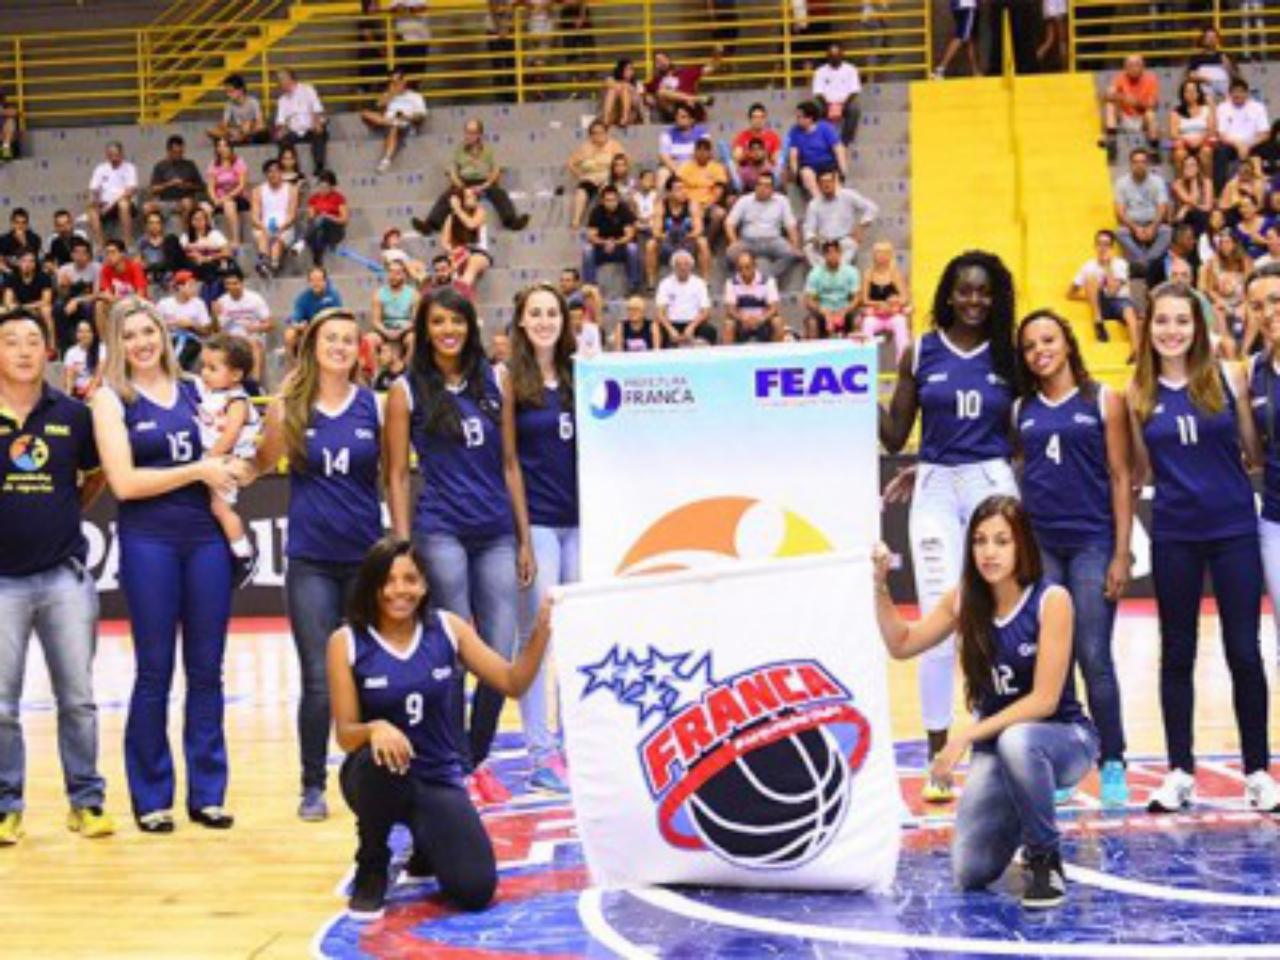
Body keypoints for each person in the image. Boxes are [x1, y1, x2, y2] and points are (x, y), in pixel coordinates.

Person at [873, 497, 1098, 909]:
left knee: (1018, 741)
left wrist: (963, 737)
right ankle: (1017, 800)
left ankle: (1044, 859)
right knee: (970, 871)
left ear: (1022, 547)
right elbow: (901, 644)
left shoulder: (1052, 600)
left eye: (1001, 541)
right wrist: (879, 585)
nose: (989, 552)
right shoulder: (965, 600)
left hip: (1065, 740)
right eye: (979, 541)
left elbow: (1045, 701)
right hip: (998, 748)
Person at [328, 537, 553, 918]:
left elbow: (512, 682)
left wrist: (542, 630)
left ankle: (427, 842)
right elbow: (346, 734)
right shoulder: (347, 641)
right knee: (381, 760)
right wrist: (375, 729)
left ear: (425, 585)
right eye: (389, 580)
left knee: (476, 890)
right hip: (374, 776)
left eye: (410, 579)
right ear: (372, 585)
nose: (400, 590)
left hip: (436, 778)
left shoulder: (448, 628)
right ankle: (372, 862)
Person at [91, 297, 246, 833]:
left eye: (148, 331)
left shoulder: (193, 392)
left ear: (163, 333)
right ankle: (151, 795)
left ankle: (208, 793)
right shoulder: (111, 399)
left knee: (207, 670)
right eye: (129, 335)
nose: (141, 342)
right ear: (118, 343)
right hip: (148, 541)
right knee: (154, 671)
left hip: (204, 540)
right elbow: (125, 483)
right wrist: (198, 470)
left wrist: (229, 468)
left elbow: (227, 455)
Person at [1128, 281, 1279, 813]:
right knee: (1177, 654)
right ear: (1149, 328)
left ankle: (1258, 771)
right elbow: (1139, 470)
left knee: (1243, 651)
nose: (1172, 330)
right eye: (1162, 320)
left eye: (1182, 321)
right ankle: (1179, 772)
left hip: (1234, 529)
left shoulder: (1228, 377)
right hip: (1175, 535)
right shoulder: (1137, 393)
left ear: (1198, 327)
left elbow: (1255, 454)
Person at [384, 287, 534, 806]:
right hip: (440, 530)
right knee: (454, 646)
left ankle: (475, 755)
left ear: (470, 326)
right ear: (425, 330)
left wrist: (523, 537)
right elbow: (398, 473)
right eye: (438, 322)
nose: (448, 330)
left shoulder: (497, 380)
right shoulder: (406, 390)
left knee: (499, 650)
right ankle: (459, 767)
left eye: (457, 321)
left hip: (494, 529)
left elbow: (511, 464)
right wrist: (403, 544)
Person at [879, 250, 1020, 802]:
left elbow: (1021, 432)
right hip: (936, 486)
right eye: (965, 290)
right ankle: (939, 756)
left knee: (1004, 618)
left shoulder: (1008, 355)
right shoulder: (923, 350)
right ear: (948, 293)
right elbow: (894, 435)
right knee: (937, 621)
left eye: (984, 291)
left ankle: (1004, 740)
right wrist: (853, 382)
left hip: (991, 483)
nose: (974, 300)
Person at [252, 308, 383, 820]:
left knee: (370, 674)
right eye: (331, 338)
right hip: (310, 559)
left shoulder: (373, 405)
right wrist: (237, 447)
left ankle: (373, 776)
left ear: (358, 350)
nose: (340, 347)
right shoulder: (291, 405)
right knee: (317, 677)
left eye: (349, 340)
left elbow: (394, 471)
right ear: (313, 345)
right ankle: (312, 784)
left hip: (364, 559)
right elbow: (261, 463)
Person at [0, 309, 114, 845]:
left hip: (65, 576)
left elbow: (93, 479)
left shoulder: (72, 414)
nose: (23, 350)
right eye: (10, 341)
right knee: (1, 705)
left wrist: (63, 510)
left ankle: (86, 801)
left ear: (47, 351)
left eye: (32, 341)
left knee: (79, 699)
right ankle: (6, 804)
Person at [1014, 311, 1133, 807]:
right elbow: (1015, 474)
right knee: (1051, 664)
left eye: (1048, 339)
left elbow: (1122, 475)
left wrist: (1121, 552)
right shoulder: (1021, 408)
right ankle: (1064, 764)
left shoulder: (1102, 399)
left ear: (1067, 343)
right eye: (1029, 345)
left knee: (1094, 655)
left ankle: (1113, 761)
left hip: (1091, 542)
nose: (1040, 350)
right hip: (1042, 547)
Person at [509, 283, 579, 793]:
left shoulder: (583, 375)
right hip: (538, 523)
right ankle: (539, 753)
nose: (544, 320)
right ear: (522, 321)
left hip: (581, 522)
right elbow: (507, 462)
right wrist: (522, 539)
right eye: (535, 313)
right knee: (538, 635)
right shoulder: (510, 381)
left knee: (579, 636)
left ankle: (575, 743)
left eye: (552, 312)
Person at [411, 118, 530, 235]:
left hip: (483, 182)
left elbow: (495, 170)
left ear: (479, 134)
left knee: (500, 194)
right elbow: (453, 172)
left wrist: (485, 185)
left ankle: (511, 222)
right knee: (447, 196)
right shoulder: (459, 150)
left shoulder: (488, 150)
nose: (468, 135)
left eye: (472, 132)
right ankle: (430, 225)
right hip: (464, 182)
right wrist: (462, 187)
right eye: (467, 132)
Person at [1247, 264, 1280, 651]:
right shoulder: (1254, 371)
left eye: (1275, 299)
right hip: (1275, 519)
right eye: (1257, 305)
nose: (1268, 311)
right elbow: (1255, 453)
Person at [1067, 228, 1139, 349]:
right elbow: (1070, 294)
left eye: (1106, 244)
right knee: (1091, 278)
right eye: (1099, 244)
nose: (1102, 248)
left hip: (1120, 301)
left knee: (1129, 312)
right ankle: (1098, 322)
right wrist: (1091, 295)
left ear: (1112, 247)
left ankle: (1136, 350)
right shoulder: (1088, 266)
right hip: (1101, 305)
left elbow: (1112, 291)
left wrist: (1108, 266)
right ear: (1095, 246)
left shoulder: (1120, 264)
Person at [724, 172, 804, 281]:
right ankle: (740, 279)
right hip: (748, 241)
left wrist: (795, 245)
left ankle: (766, 276)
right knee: (731, 254)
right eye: (759, 184)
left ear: (773, 188)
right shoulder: (744, 200)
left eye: (767, 185)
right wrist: (734, 242)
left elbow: (791, 226)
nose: (762, 188)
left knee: (791, 253)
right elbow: (729, 224)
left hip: (773, 240)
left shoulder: (782, 201)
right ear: (755, 186)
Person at [803, 168, 878, 267]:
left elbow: (872, 207)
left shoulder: (848, 195)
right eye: (823, 182)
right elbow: (808, 229)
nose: (827, 185)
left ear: (835, 182)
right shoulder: (814, 204)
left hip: (844, 240)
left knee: (851, 244)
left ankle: (838, 272)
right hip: (824, 242)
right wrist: (814, 239)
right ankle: (824, 272)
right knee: (808, 248)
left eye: (829, 181)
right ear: (818, 185)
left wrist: (861, 227)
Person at [1114, 148, 1171, 277]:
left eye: (1143, 162)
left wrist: (1153, 226)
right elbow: (1120, 211)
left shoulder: (1157, 181)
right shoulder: (1121, 183)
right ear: (1130, 164)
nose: (1139, 165)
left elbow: (1162, 207)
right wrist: (1135, 228)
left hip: (1153, 222)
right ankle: (1145, 261)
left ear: (1148, 164)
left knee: (1167, 231)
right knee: (1119, 233)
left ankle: (1145, 261)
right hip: (1131, 224)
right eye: (1136, 162)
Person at [360, 69, 427, 173]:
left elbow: (421, 115)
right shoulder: (389, 94)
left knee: (393, 128)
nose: (395, 84)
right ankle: (392, 123)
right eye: (392, 82)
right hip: (387, 120)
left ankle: (386, 159)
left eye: (397, 82)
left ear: (404, 81)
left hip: (405, 122)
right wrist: (391, 94)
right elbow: (378, 105)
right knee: (365, 113)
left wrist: (407, 117)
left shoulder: (415, 96)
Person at [647, 178, 709, 284]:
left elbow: (699, 229)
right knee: (651, 244)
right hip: (667, 243)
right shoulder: (661, 205)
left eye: (684, 188)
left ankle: (705, 281)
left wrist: (685, 236)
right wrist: (667, 237)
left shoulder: (692, 204)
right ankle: (651, 282)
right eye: (678, 189)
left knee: (702, 242)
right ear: (669, 193)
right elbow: (655, 232)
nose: (683, 192)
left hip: (687, 242)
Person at [582, 185, 642, 294]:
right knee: (587, 250)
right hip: (601, 248)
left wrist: (615, 243)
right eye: (608, 200)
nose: (611, 203)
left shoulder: (624, 210)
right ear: (602, 201)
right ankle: (590, 287)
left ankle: (634, 285)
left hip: (620, 247)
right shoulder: (596, 212)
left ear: (618, 199)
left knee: (633, 248)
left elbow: (630, 235)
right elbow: (591, 236)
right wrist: (605, 243)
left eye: (614, 200)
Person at [567, 120, 626, 230]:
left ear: (606, 133)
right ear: (590, 135)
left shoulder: (614, 145)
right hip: (590, 178)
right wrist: (579, 175)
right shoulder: (585, 147)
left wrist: (616, 174)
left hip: (608, 177)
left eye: (601, 132)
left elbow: (624, 162)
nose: (598, 136)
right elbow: (570, 163)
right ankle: (575, 221)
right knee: (581, 191)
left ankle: (607, 221)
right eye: (595, 133)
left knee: (606, 190)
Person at [213, 272, 273, 379]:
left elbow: (270, 325)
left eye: (235, 283)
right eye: (228, 284)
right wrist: (214, 315)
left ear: (242, 283)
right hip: (231, 337)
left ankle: (255, 383)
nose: (231, 287)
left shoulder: (255, 299)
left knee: (254, 344)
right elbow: (217, 330)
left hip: (252, 335)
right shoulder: (222, 301)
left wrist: (256, 328)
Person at [1101, 55, 1160, 163]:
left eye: (1137, 65)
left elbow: (1153, 104)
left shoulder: (1151, 79)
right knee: (1110, 106)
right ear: (1125, 68)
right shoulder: (1120, 78)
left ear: (1143, 67)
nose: (1134, 68)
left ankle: (1154, 149)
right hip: (1124, 117)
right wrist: (1123, 98)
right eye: (1130, 65)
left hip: (1142, 118)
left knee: (1151, 114)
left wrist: (1136, 103)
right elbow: (1106, 96)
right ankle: (1112, 144)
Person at [858, 239, 913, 354]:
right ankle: (866, 360)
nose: (880, 256)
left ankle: (903, 363)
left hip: (892, 314)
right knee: (868, 323)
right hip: (875, 314)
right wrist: (879, 304)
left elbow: (905, 298)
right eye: (877, 253)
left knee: (900, 322)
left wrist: (894, 302)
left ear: (889, 255)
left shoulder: (895, 274)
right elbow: (864, 299)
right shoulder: (868, 274)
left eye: (883, 253)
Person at [788, 100, 848, 198]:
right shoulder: (795, 131)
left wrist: (842, 170)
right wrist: (796, 174)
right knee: (806, 174)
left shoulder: (825, 128)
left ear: (810, 118)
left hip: (828, 164)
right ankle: (819, 201)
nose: (797, 120)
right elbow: (793, 155)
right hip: (808, 165)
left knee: (836, 185)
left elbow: (838, 148)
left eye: (800, 117)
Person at [273, 69, 328, 175]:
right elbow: (280, 122)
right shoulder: (281, 100)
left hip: (310, 127)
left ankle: (319, 167)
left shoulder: (308, 89)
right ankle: (292, 170)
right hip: (293, 131)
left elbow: (318, 110)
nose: (279, 83)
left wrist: (317, 123)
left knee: (319, 132)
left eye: (281, 79)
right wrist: (281, 130)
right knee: (282, 139)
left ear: (290, 79)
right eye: (278, 80)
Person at [250, 159, 299, 279]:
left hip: (285, 227)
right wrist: (263, 227)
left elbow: (292, 215)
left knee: (277, 240)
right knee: (264, 235)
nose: (273, 174)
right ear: (265, 174)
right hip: (263, 227)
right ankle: (266, 263)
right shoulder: (257, 191)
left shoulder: (292, 189)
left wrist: (281, 227)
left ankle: (271, 264)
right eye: (269, 171)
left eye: (276, 171)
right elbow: (254, 216)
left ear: (281, 172)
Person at [1216, 79, 1270, 185]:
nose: (1238, 94)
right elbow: (1221, 135)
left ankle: (1267, 186)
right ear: (1230, 94)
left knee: (1269, 147)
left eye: (1241, 91)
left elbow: (1265, 133)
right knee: (1220, 152)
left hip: (1253, 144)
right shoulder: (1222, 107)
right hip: (1230, 145)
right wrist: (1237, 145)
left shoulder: (1258, 107)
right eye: (1234, 92)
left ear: (1247, 93)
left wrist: (1248, 145)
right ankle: (1220, 191)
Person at [804, 238, 861, 340]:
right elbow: (809, 300)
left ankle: (856, 355)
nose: (833, 256)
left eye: (836, 252)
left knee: (857, 319)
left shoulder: (851, 271)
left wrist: (846, 310)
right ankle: (815, 354)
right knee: (812, 322)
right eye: (829, 253)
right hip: (824, 311)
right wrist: (823, 311)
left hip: (844, 309)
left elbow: (856, 298)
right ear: (824, 256)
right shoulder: (815, 273)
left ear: (840, 253)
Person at [441, 187, 493, 297]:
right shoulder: (451, 217)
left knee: (472, 263)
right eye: (469, 196)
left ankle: (458, 293)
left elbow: (471, 225)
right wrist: (453, 251)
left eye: (474, 196)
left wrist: (457, 209)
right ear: (461, 199)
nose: (474, 198)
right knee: (447, 266)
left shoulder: (480, 211)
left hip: (479, 253)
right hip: (459, 253)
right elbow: (445, 242)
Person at [655, 250, 715, 346]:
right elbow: (660, 313)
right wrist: (670, 329)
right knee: (657, 329)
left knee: (709, 331)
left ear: (691, 266)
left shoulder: (699, 283)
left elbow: (705, 312)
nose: (683, 268)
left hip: (694, 323)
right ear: (673, 267)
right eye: (679, 265)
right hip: (672, 324)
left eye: (686, 264)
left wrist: (692, 327)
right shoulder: (665, 284)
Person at [643, 48, 719, 123]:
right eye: (658, 61)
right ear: (656, 65)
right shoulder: (656, 81)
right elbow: (642, 90)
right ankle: (694, 98)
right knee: (661, 92)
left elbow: (711, 68)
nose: (662, 63)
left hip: (691, 109)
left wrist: (717, 55)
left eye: (663, 59)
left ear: (669, 60)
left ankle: (691, 100)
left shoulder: (685, 72)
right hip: (674, 113)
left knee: (664, 93)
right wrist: (647, 96)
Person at [157, 270, 213, 371]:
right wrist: (169, 325)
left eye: (195, 285)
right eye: (191, 285)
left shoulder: (199, 303)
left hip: (191, 338)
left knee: (180, 350)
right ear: (180, 287)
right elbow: (155, 326)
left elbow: (207, 331)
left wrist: (192, 324)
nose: (195, 288)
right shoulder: (164, 304)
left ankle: (173, 373)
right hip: (169, 337)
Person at [86, 141, 138, 250]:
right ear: (106, 155)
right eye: (110, 155)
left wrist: (111, 205)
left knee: (123, 204)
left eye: (116, 155)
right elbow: (94, 189)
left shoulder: (129, 168)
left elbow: (130, 191)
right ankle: (101, 246)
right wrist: (96, 201)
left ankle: (127, 243)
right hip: (105, 204)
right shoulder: (100, 168)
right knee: (91, 210)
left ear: (122, 154)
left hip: (124, 203)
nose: (113, 158)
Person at [145, 135, 205, 228]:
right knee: (147, 207)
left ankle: (185, 234)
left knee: (187, 202)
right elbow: (153, 189)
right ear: (168, 151)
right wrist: (169, 184)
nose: (178, 155)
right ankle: (151, 239)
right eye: (175, 152)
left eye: (181, 152)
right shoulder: (160, 166)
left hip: (184, 201)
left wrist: (186, 185)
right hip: (165, 202)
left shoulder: (190, 165)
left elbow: (201, 186)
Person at [723, 250, 781, 344]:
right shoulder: (731, 282)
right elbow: (730, 309)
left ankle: (777, 357)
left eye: (747, 267)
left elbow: (774, 308)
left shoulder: (768, 281)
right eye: (740, 268)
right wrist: (742, 319)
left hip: (763, 321)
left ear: (754, 266)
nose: (744, 271)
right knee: (728, 324)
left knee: (777, 321)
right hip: (741, 322)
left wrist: (761, 319)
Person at [367, 259, 419, 361]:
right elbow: (376, 321)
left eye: (397, 273)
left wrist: (401, 331)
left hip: (405, 330)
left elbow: (415, 321)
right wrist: (387, 332)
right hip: (384, 329)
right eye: (390, 272)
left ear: (404, 275)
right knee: (369, 340)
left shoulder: (414, 294)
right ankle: (375, 374)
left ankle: (405, 370)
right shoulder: (378, 294)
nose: (393, 276)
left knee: (414, 340)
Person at [94, 240, 147, 337]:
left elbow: (141, 295)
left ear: (122, 254)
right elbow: (107, 294)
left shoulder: (135, 267)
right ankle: (104, 343)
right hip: (117, 304)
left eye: (113, 252)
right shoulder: (106, 269)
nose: (109, 256)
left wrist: (120, 300)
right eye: (107, 253)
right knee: (100, 305)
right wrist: (115, 300)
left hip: (138, 304)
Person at [811, 43, 861, 146]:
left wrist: (843, 106)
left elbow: (854, 91)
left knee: (854, 109)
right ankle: (819, 137)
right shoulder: (820, 71)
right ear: (827, 56)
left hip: (845, 103)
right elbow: (818, 92)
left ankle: (845, 141)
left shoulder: (851, 69)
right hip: (825, 103)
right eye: (831, 55)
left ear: (842, 55)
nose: (834, 57)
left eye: (837, 54)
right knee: (815, 107)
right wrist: (828, 106)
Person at [286, 266, 342, 356]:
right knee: (289, 334)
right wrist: (298, 326)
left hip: (328, 328)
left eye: (319, 280)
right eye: (313, 280)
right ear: (309, 282)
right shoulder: (302, 298)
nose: (316, 283)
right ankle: (295, 367)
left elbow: (339, 316)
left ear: (325, 281)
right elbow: (295, 319)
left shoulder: (333, 295)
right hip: (309, 329)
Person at [56, 239, 100, 351]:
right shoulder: (64, 269)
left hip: (88, 301)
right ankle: (65, 347)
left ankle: (92, 343)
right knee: (58, 307)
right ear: (72, 255)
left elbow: (97, 294)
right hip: (69, 301)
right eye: (76, 253)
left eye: (83, 253)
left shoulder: (96, 268)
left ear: (89, 255)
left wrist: (77, 300)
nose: (80, 256)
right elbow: (62, 295)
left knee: (88, 307)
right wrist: (64, 287)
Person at [182, 206, 234, 298]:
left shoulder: (214, 234)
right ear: (191, 221)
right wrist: (194, 255)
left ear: (206, 220)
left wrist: (208, 258)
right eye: (195, 219)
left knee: (208, 267)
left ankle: (209, 296)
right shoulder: (185, 237)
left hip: (210, 265)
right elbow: (181, 254)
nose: (199, 221)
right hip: (193, 267)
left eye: (201, 218)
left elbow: (228, 252)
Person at [4, 250, 55, 344]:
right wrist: (15, 307)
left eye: (31, 261)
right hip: (18, 308)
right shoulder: (11, 277)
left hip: (37, 308)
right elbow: (7, 300)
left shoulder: (44, 277)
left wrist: (25, 307)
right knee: (3, 310)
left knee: (46, 310)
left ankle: (51, 345)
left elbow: (46, 301)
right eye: (24, 261)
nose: (27, 264)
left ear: (35, 264)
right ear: (18, 262)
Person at [207, 137, 250, 245]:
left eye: (225, 146)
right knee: (204, 208)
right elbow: (210, 187)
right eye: (219, 146)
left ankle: (236, 239)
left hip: (238, 197)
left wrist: (226, 197)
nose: (222, 148)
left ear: (231, 148)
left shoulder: (238, 162)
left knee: (229, 204)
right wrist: (215, 199)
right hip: (219, 199)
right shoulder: (213, 164)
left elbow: (241, 185)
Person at [1170, 79, 1216, 179]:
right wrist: (1187, 140)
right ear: (1183, 94)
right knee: (1179, 154)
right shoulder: (1176, 111)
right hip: (1184, 143)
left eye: (1193, 91)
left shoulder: (1206, 109)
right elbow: (1174, 133)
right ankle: (1180, 185)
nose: (1190, 94)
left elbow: (1211, 130)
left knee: (1206, 152)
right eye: (1187, 91)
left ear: (1199, 93)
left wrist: (1200, 139)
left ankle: (1208, 184)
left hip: (1203, 141)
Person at [302, 170, 349, 268]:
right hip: (318, 230)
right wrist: (317, 217)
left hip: (335, 230)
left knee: (322, 220)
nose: (323, 189)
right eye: (320, 186)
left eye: (326, 187)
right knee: (318, 227)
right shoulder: (314, 198)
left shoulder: (339, 198)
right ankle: (317, 260)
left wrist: (328, 216)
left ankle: (303, 240)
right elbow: (311, 218)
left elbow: (344, 220)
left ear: (332, 187)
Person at [206, 74, 269, 146]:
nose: (228, 94)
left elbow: (259, 121)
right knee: (210, 130)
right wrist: (227, 128)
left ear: (241, 90)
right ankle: (239, 139)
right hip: (238, 130)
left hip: (251, 129)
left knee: (261, 128)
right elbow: (225, 123)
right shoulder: (229, 104)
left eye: (230, 91)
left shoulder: (253, 102)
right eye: (226, 91)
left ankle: (238, 139)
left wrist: (249, 125)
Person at [657, 105, 708, 191]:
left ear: (692, 119)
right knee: (662, 173)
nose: (678, 118)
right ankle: (660, 202)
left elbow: (704, 153)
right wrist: (677, 169)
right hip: (675, 166)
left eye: (683, 117)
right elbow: (664, 156)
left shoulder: (702, 133)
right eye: (677, 116)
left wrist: (689, 166)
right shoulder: (667, 134)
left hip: (695, 165)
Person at [1185, 26, 1238, 102]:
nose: (1211, 39)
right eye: (1208, 37)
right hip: (1205, 85)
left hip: (1223, 86)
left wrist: (1228, 66)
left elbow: (1234, 76)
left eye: (1213, 37)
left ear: (1217, 40)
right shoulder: (1197, 57)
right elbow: (1191, 75)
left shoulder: (1224, 56)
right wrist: (1204, 79)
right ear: (1203, 40)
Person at [1170, 154, 1215, 238]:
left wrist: (1185, 208)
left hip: (1199, 216)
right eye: (1186, 166)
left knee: (1201, 215)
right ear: (1183, 169)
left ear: (1198, 168)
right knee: (1198, 215)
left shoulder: (1207, 182)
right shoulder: (1177, 184)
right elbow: (1192, 200)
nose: (1190, 168)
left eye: (1192, 165)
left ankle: (1200, 244)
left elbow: (1208, 207)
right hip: (1182, 220)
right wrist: (1193, 180)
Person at [732, 103, 783, 175]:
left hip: (766, 173)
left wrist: (763, 156)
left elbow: (776, 159)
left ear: (765, 119)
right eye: (755, 117)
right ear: (750, 119)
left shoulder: (773, 136)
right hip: (747, 172)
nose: (758, 120)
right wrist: (750, 154)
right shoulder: (742, 136)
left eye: (761, 117)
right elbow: (737, 157)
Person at [137, 210, 185, 286]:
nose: (154, 226)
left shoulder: (170, 241)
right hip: (150, 275)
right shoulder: (142, 242)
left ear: (162, 225)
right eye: (151, 223)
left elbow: (176, 262)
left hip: (168, 274)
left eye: (157, 223)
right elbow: (137, 262)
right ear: (146, 225)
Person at [63, 319, 104, 400]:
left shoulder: (102, 349)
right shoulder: (71, 352)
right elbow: (67, 377)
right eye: (80, 331)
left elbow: (99, 374)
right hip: (78, 392)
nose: (84, 335)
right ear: (76, 334)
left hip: (97, 391)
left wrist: (90, 390)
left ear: (93, 333)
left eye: (87, 331)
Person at [601, 58, 644, 129]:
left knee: (625, 89)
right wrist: (624, 86)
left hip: (632, 115)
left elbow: (639, 104)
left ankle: (624, 117)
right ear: (621, 70)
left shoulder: (638, 84)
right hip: (614, 114)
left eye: (632, 69)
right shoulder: (611, 80)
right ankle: (606, 119)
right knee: (613, 90)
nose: (630, 72)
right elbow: (607, 84)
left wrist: (630, 90)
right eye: (627, 69)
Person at [0, 208, 42, 276]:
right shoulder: (4, 239)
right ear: (12, 223)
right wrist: (9, 272)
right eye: (17, 223)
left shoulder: (34, 238)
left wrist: (23, 242)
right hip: (10, 273)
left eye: (23, 223)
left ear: (27, 224)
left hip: (30, 274)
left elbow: (33, 261)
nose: (20, 226)